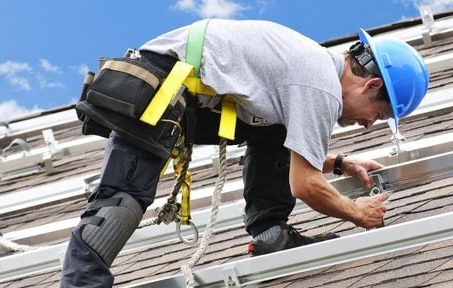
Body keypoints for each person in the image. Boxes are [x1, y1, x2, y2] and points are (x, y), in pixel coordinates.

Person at [62, 19, 429, 287]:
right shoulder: (320, 86)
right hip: (159, 88)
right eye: (378, 115)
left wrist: (339, 162)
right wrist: (356, 213)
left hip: (184, 96)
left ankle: (271, 232)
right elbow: (304, 185)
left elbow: (289, 144)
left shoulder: (313, 70)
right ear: (371, 85)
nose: (368, 125)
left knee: (276, 128)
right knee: (119, 206)